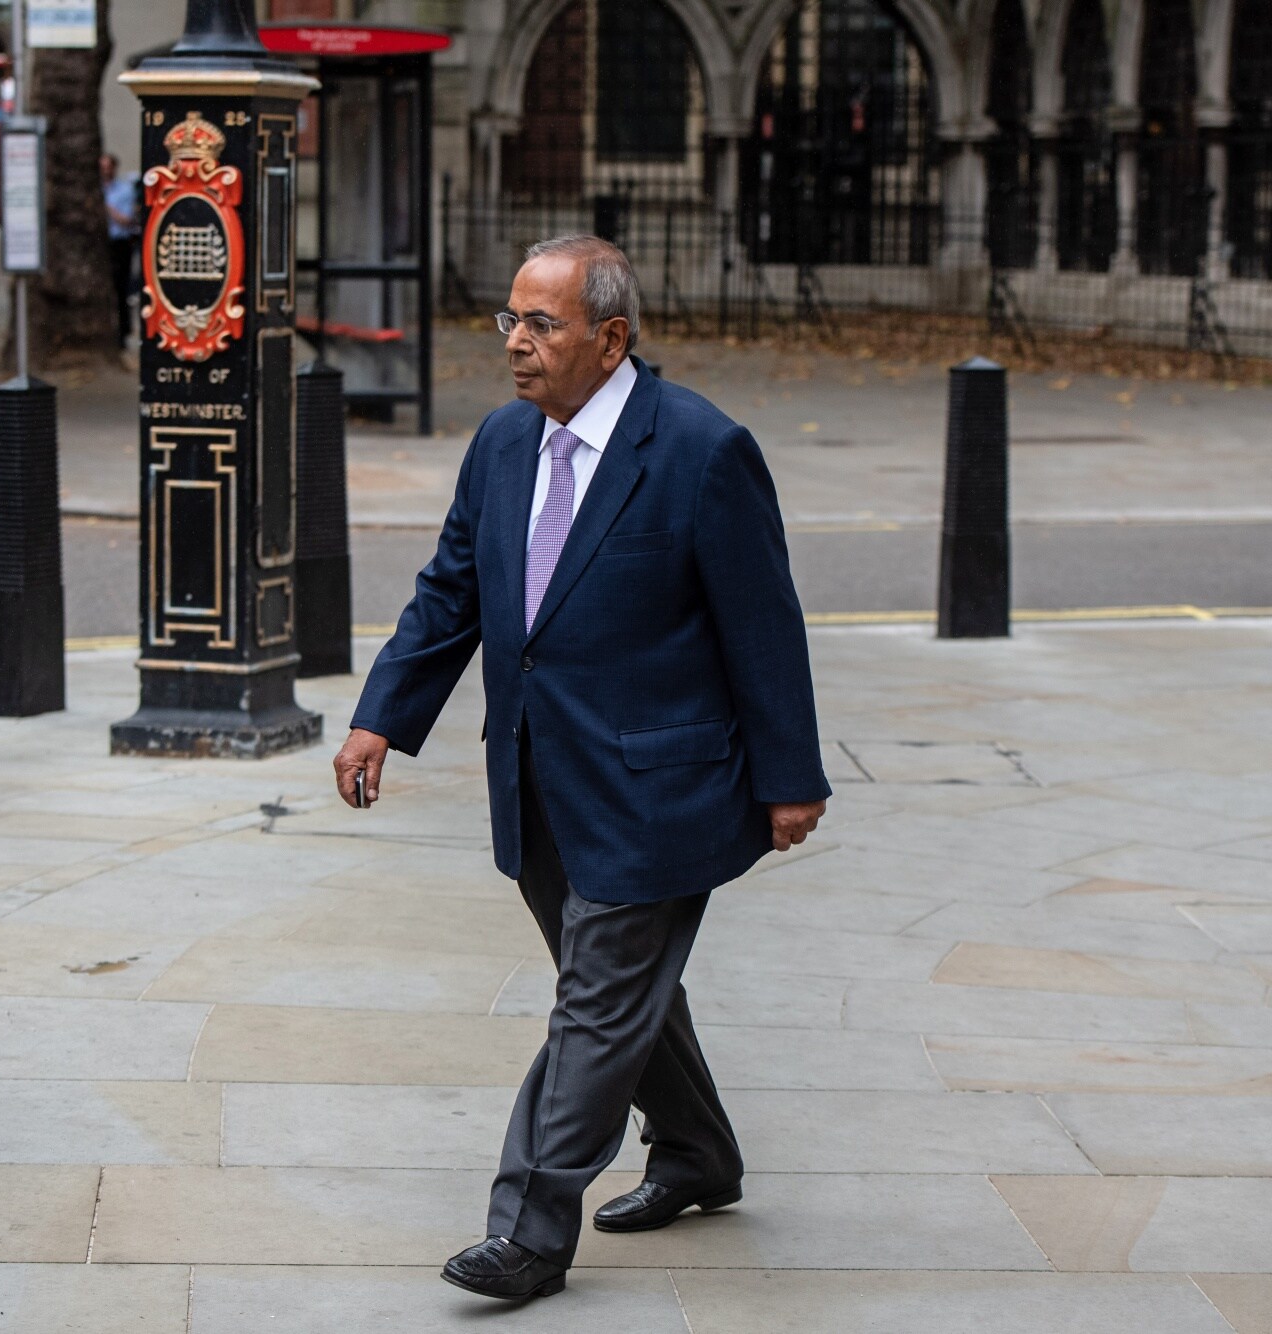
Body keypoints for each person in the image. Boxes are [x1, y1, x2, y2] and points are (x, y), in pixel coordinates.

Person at [332, 236, 828, 1302]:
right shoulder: (507, 444)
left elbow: (763, 624)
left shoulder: (700, 448)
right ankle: (698, 1151)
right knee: (618, 987)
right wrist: (382, 717)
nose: (514, 342)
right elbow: (450, 591)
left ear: (609, 338)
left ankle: (526, 1229)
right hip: (536, 780)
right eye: (507, 319)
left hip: (660, 790)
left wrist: (791, 775)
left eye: (539, 324)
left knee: (594, 1004)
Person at [100, 154, 138, 350]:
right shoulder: (95, 189)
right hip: (101, 244)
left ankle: (123, 333)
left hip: (120, 243)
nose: (105, 171)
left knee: (121, 287)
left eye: (108, 167)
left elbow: (126, 220)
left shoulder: (124, 190)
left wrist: (106, 208)